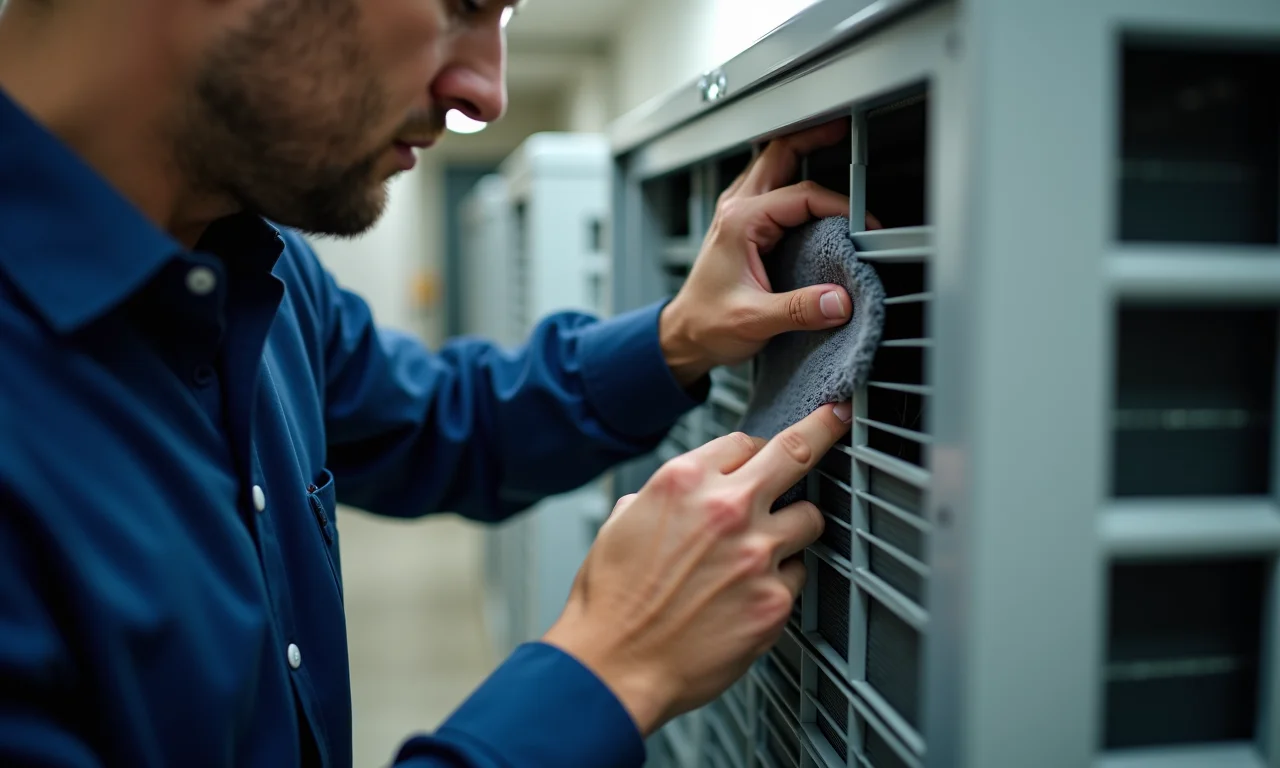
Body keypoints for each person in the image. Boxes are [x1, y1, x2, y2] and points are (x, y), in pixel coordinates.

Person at [0, 0, 869, 766]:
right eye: (461, 3)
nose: (484, 94)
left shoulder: (250, 266)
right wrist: (610, 670)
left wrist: (680, 337)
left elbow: (437, 419)